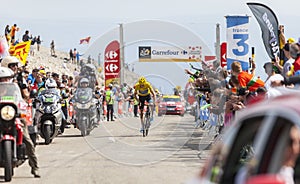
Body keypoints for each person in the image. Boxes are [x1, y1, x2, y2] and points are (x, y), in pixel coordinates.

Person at [0, 56, 40, 178]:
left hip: (14, 113)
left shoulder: (16, 84)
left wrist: (23, 106)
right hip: (1, 113)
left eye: (15, 65)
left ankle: (35, 167)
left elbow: (22, 98)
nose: (15, 68)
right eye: (12, 65)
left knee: (27, 139)